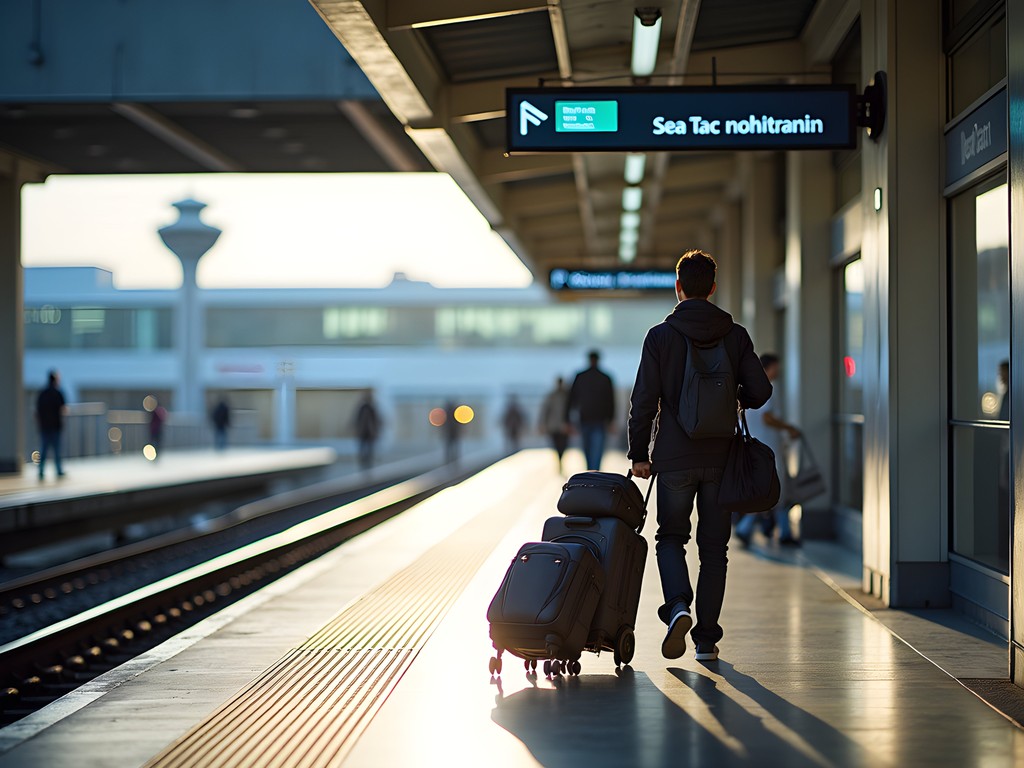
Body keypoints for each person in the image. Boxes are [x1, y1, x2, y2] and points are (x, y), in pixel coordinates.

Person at [628, 249, 772, 663]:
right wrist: (731, 399)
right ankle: (706, 640)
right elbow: (761, 392)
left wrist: (639, 453)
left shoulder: (660, 336)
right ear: (712, 288)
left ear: (678, 287)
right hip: (723, 458)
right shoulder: (735, 334)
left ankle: (678, 607)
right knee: (715, 550)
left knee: (670, 537)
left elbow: (643, 400)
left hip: (673, 458)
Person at [734, 353, 802, 548]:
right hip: (766, 449)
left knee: (770, 490)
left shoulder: (747, 386)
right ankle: (746, 528)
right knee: (769, 490)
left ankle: (784, 531)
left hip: (754, 447)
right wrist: (789, 428)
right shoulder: (765, 387)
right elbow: (767, 417)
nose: (778, 372)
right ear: (768, 368)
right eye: (776, 367)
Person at [568, 350, 615, 470]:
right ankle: (595, 472)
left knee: (587, 449)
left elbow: (572, 399)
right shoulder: (605, 378)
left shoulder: (580, 376)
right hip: (600, 418)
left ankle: (590, 472)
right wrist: (611, 419)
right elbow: (611, 401)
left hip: (585, 417)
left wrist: (568, 419)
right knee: (597, 450)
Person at [35, 369, 67, 479]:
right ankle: (58, 470)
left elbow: (38, 410)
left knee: (43, 449)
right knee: (57, 450)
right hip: (55, 425)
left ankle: (41, 470)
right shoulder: (58, 393)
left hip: (45, 426)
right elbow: (63, 408)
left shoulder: (43, 393)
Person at [539, 377, 571, 472]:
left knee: (564, 445)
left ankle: (561, 460)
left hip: (564, 427)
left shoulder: (567, 396)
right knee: (557, 445)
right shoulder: (552, 396)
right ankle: (559, 461)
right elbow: (545, 411)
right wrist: (543, 424)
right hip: (553, 426)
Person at [355, 392, 382, 469]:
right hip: (364, 432)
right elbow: (357, 419)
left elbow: (376, 420)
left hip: (368, 433)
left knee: (368, 448)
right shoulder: (364, 408)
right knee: (363, 447)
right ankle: (363, 461)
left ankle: (367, 461)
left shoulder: (371, 408)